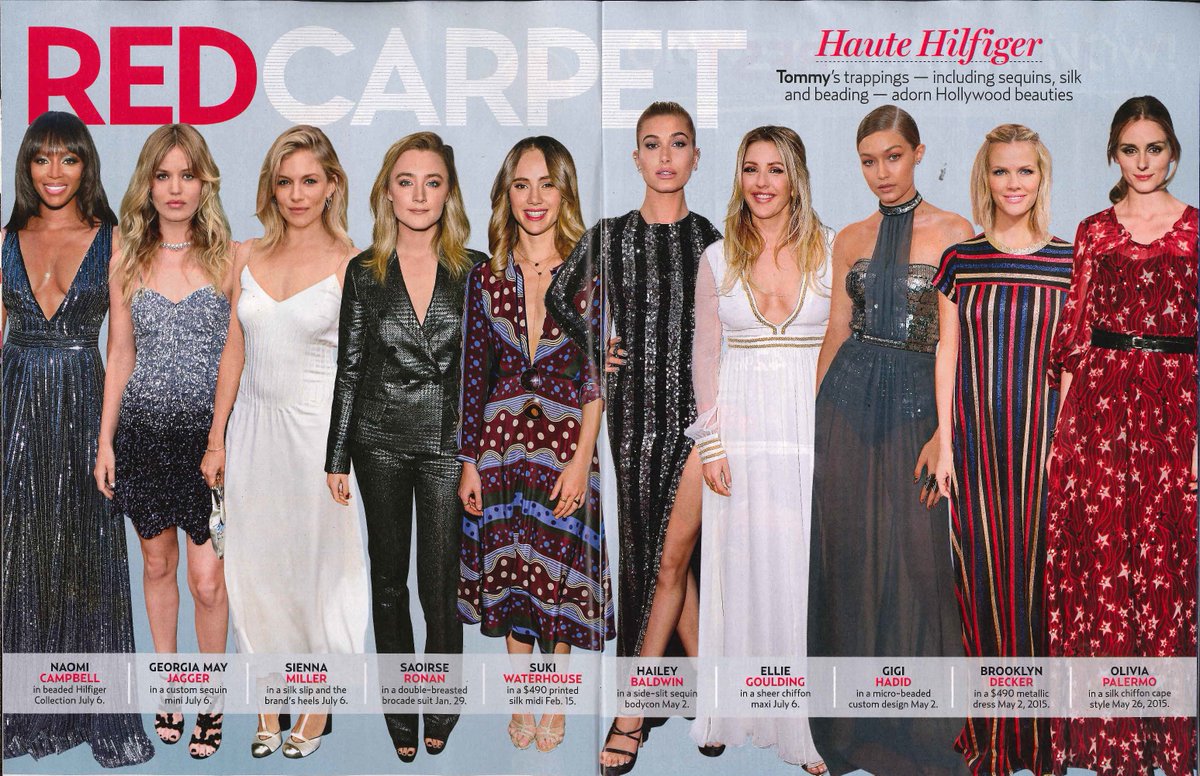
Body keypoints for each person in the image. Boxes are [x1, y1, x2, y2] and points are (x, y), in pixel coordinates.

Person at [546, 101, 721, 775]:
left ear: (696, 157)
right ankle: (703, 695)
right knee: (653, 547)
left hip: (696, 413)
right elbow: (560, 296)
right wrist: (599, 343)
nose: (665, 156)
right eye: (652, 144)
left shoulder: (712, 237)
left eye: (678, 144)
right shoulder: (610, 234)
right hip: (631, 412)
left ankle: (644, 707)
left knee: (678, 552)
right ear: (636, 157)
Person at [807, 105, 973, 776]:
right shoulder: (850, 237)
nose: (882, 172)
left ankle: (927, 731)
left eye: (893, 157)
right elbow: (836, 332)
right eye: (869, 161)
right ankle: (854, 729)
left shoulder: (956, 232)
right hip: (848, 405)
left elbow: (959, 346)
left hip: (918, 406)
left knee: (920, 565)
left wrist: (944, 433)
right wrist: (814, 423)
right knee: (852, 558)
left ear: (919, 153)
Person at [201, 125, 369, 759]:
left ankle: (320, 703)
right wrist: (216, 439)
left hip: (320, 437)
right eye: (284, 181)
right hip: (252, 431)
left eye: (309, 181)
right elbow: (232, 352)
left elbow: (361, 367)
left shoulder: (354, 263)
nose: (297, 194)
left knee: (322, 570)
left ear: (331, 186)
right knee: (257, 567)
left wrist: (346, 451)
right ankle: (269, 702)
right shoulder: (245, 255)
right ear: (271, 188)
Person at [1044, 95, 1197, 776]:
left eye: (1154, 148)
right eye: (1130, 149)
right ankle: (1114, 744)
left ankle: (1164, 739)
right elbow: (1074, 339)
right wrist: (1060, 439)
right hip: (1099, 416)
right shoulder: (1093, 232)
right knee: (1103, 571)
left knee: (1165, 576)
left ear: (1173, 154)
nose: (1142, 162)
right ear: (1113, 154)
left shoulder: (1196, 231)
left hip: (1175, 414)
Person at [2, 111, 155, 769]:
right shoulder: (5, 239)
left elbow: (120, 348)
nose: (55, 172)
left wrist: (107, 438)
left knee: (87, 558)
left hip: (84, 404)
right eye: (42, 158)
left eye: (68, 158)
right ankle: (22, 711)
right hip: (13, 408)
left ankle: (86, 711)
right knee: (16, 555)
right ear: (27, 167)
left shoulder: (111, 239)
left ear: (86, 166)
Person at [324, 131, 481, 762]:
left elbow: (486, 369)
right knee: (388, 582)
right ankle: (399, 709)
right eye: (406, 182)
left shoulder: (475, 269)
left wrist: (474, 454)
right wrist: (336, 457)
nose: (419, 195)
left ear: (449, 193)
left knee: (439, 587)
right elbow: (349, 367)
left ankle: (440, 701)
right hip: (380, 443)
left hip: (446, 443)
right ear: (387, 192)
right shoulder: (365, 271)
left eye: (432, 182)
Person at [457, 136, 613, 753]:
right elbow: (473, 375)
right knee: (512, 569)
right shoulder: (486, 277)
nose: (534, 197)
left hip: (565, 445)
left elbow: (596, 377)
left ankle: (556, 698)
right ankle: (522, 697)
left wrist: (580, 461)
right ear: (507, 194)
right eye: (522, 184)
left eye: (547, 183)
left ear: (565, 191)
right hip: (500, 450)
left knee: (559, 572)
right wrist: (469, 461)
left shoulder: (589, 273)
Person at [686, 126, 830, 773]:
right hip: (741, 439)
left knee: (802, 574)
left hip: (809, 431)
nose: (762, 182)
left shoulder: (833, 250)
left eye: (775, 169)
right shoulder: (717, 258)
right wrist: (712, 444)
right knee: (741, 571)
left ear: (795, 177)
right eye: (751, 168)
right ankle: (733, 710)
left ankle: (807, 730)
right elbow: (705, 357)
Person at [931, 124, 1072, 776]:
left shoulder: (1070, 262)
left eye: (1025, 171)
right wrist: (945, 446)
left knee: (1041, 588)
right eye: (1001, 171)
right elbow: (948, 353)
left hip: (1043, 447)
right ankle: (993, 736)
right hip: (976, 447)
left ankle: (1040, 742)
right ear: (985, 180)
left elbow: (1073, 363)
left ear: (1041, 178)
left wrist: (1064, 444)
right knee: (983, 587)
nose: (1013, 183)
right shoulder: (961, 261)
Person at [94, 123, 233, 760]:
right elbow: (119, 354)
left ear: (204, 182)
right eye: (162, 175)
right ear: (148, 185)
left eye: (187, 174)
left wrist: (220, 438)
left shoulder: (231, 257)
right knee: (157, 566)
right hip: (143, 437)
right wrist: (105, 442)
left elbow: (235, 356)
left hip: (206, 443)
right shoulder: (126, 257)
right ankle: (170, 687)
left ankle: (212, 698)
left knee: (207, 581)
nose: (175, 188)